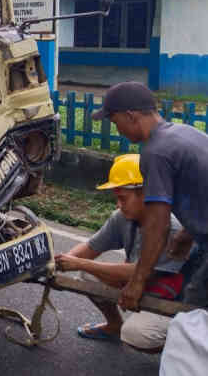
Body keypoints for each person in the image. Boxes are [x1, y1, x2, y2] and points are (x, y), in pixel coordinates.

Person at [91, 81, 208, 311]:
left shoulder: (155, 152)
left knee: (194, 314)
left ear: (131, 116)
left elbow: (158, 225)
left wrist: (136, 283)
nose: (118, 131)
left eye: (115, 122)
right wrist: (186, 235)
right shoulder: (184, 133)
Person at [55, 154, 186, 351]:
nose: (118, 204)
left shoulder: (173, 227)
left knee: (137, 335)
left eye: (122, 198)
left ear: (146, 193)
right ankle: (114, 325)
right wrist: (58, 263)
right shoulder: (123, 217)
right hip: (142, 285)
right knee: (87, 276)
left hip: (176, 299)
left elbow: (142, 272)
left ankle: (183, 350)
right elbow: (90, 248)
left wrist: (79, 263)